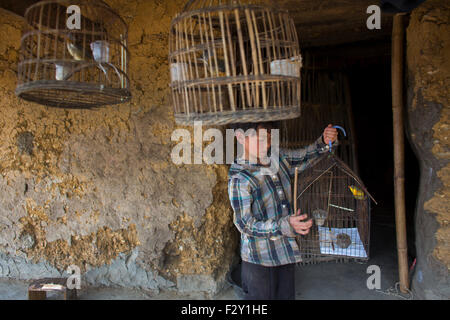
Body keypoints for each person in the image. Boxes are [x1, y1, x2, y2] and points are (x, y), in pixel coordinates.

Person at [228, 121, 339, 300]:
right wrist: (284, 225)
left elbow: (305, 156)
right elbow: (245, 224)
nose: (267, 144)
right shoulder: (240, 178)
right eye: (261, 139)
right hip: (259, 259)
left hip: (285, 251)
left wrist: (324, 142)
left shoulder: (277, 158)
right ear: (240, 137)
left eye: (269, 138)